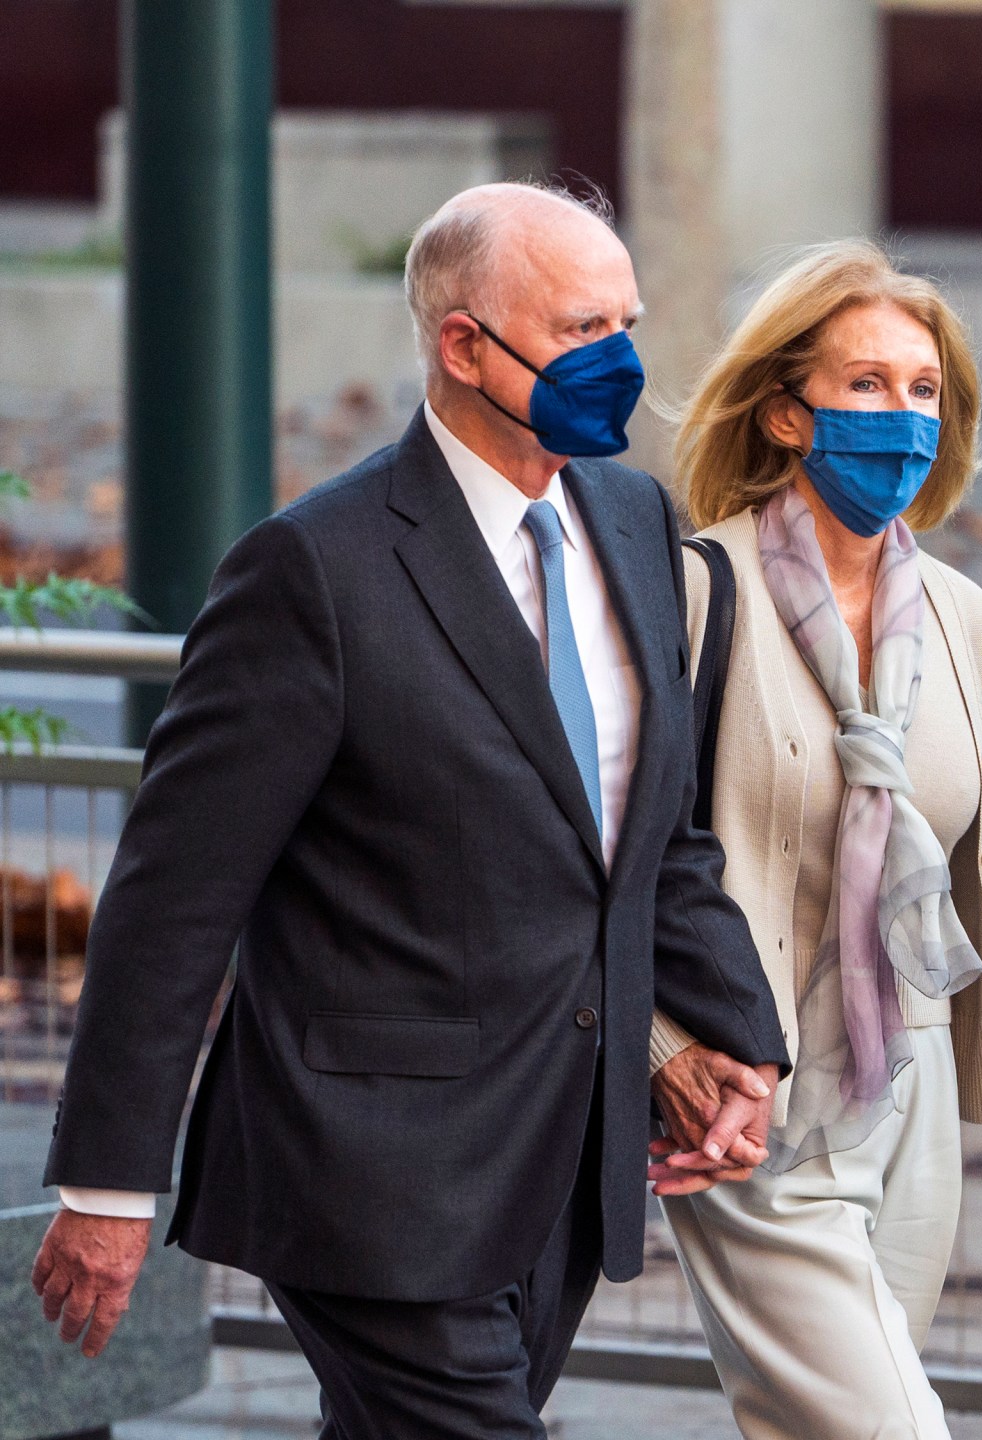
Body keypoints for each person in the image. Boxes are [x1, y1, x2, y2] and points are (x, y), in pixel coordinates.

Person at [27, 182, 789, 1434]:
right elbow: (175, 896)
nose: (621, 361)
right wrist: (111, 1181)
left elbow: (661, 833)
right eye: (582, 328)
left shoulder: (640, 523)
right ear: (464, 345)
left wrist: (735, 1035)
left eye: (628, 322)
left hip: (563, 1156)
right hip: (366, 1169)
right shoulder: (313, 570)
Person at [649, 239, 982, 1440]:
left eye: (923, 390)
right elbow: (617, 850)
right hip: (751, 1084)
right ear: (785, 410)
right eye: (866, 385)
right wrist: (670, 1049)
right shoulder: (693, 589)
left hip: (914, 1081)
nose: (902, 417)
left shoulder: (963, 615)